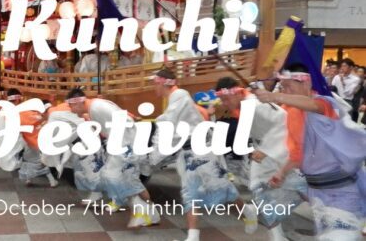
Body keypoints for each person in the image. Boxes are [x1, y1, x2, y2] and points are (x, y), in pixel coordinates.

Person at [254, 63, 366, 239]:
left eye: (289, 87)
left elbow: (314, 105)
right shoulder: (291, 114)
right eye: (283, 87)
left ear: (305, 83)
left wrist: (273, 96)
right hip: (317, 191)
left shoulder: (326, 102)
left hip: (342, 188)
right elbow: (298, 153)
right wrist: (281, 173)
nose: (286, 92)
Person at [150, 69, 258, 241]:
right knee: (189, 192)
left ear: (163, 83)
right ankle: (193, 237)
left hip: (202, 150)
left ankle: (247, 211)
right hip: (187, 153)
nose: (153, 87)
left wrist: (154, 155)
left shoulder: (181, 95)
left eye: (155, 83)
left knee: (221, 187)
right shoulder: (175, 100)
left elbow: (168, 123)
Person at [215, 76, 308, 241]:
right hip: (267, 156)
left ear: (237, 93)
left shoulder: (256, 105)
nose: (225, 103)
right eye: (222, 100)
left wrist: (266, 149)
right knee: (262, 193)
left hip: (284, 153)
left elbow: (285, 122)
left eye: (226, 99)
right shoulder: (245, 105)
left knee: (304, 189)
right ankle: (278, 236)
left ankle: (338, 217)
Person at [67, 88, 161, 228]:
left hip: (125, 147)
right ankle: (151, 214)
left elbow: (125, 121)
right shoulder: (95, 107)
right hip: (124, 146)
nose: (72, 110)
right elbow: (125, 116)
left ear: (78, 102)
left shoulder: (97, 107)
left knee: (114, 177)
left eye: (71, 106)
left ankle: (142, 211)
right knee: (129, 181)